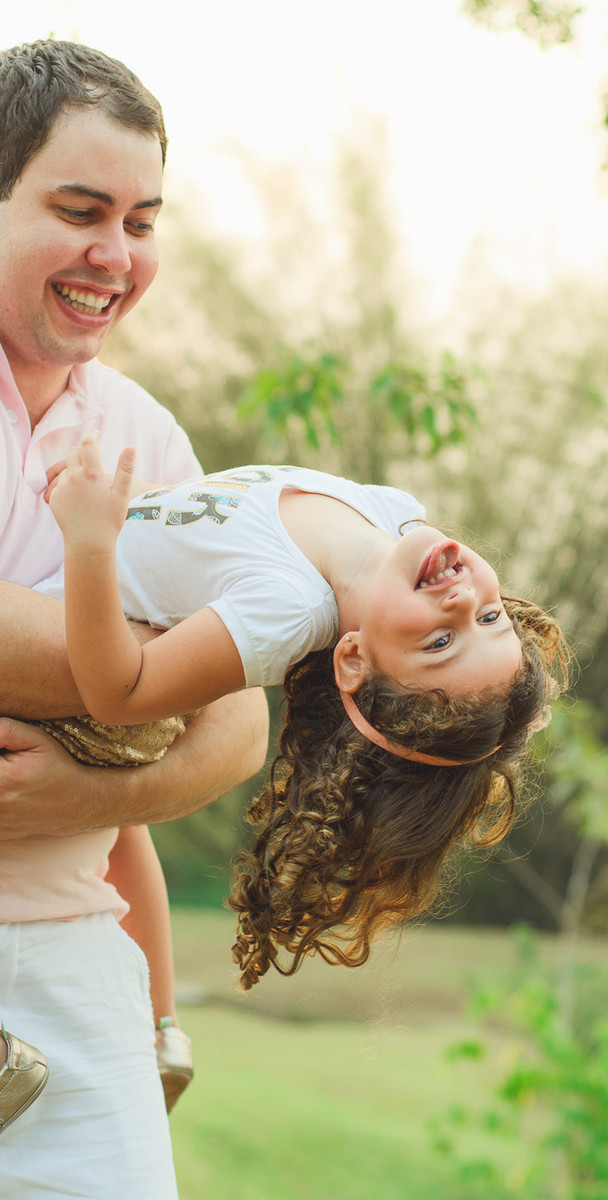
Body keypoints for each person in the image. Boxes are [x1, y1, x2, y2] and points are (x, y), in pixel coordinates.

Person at [0, 39, 268, 1198]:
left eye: (142, 222)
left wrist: (96, 794)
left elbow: (243, 720)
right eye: (79, 211)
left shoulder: (145, 436)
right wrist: (163, 664)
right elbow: (215, 666)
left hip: (77, 968)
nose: (114, 256)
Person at [44, 441, 567, 991]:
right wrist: (117, 495)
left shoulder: (286, 610)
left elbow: (120, 694)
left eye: (440, 643)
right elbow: (195, 521)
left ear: (354, 661)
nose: (463, 603)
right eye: (489, 618)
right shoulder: (388, 511)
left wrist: (90, 538)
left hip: (42, 596)